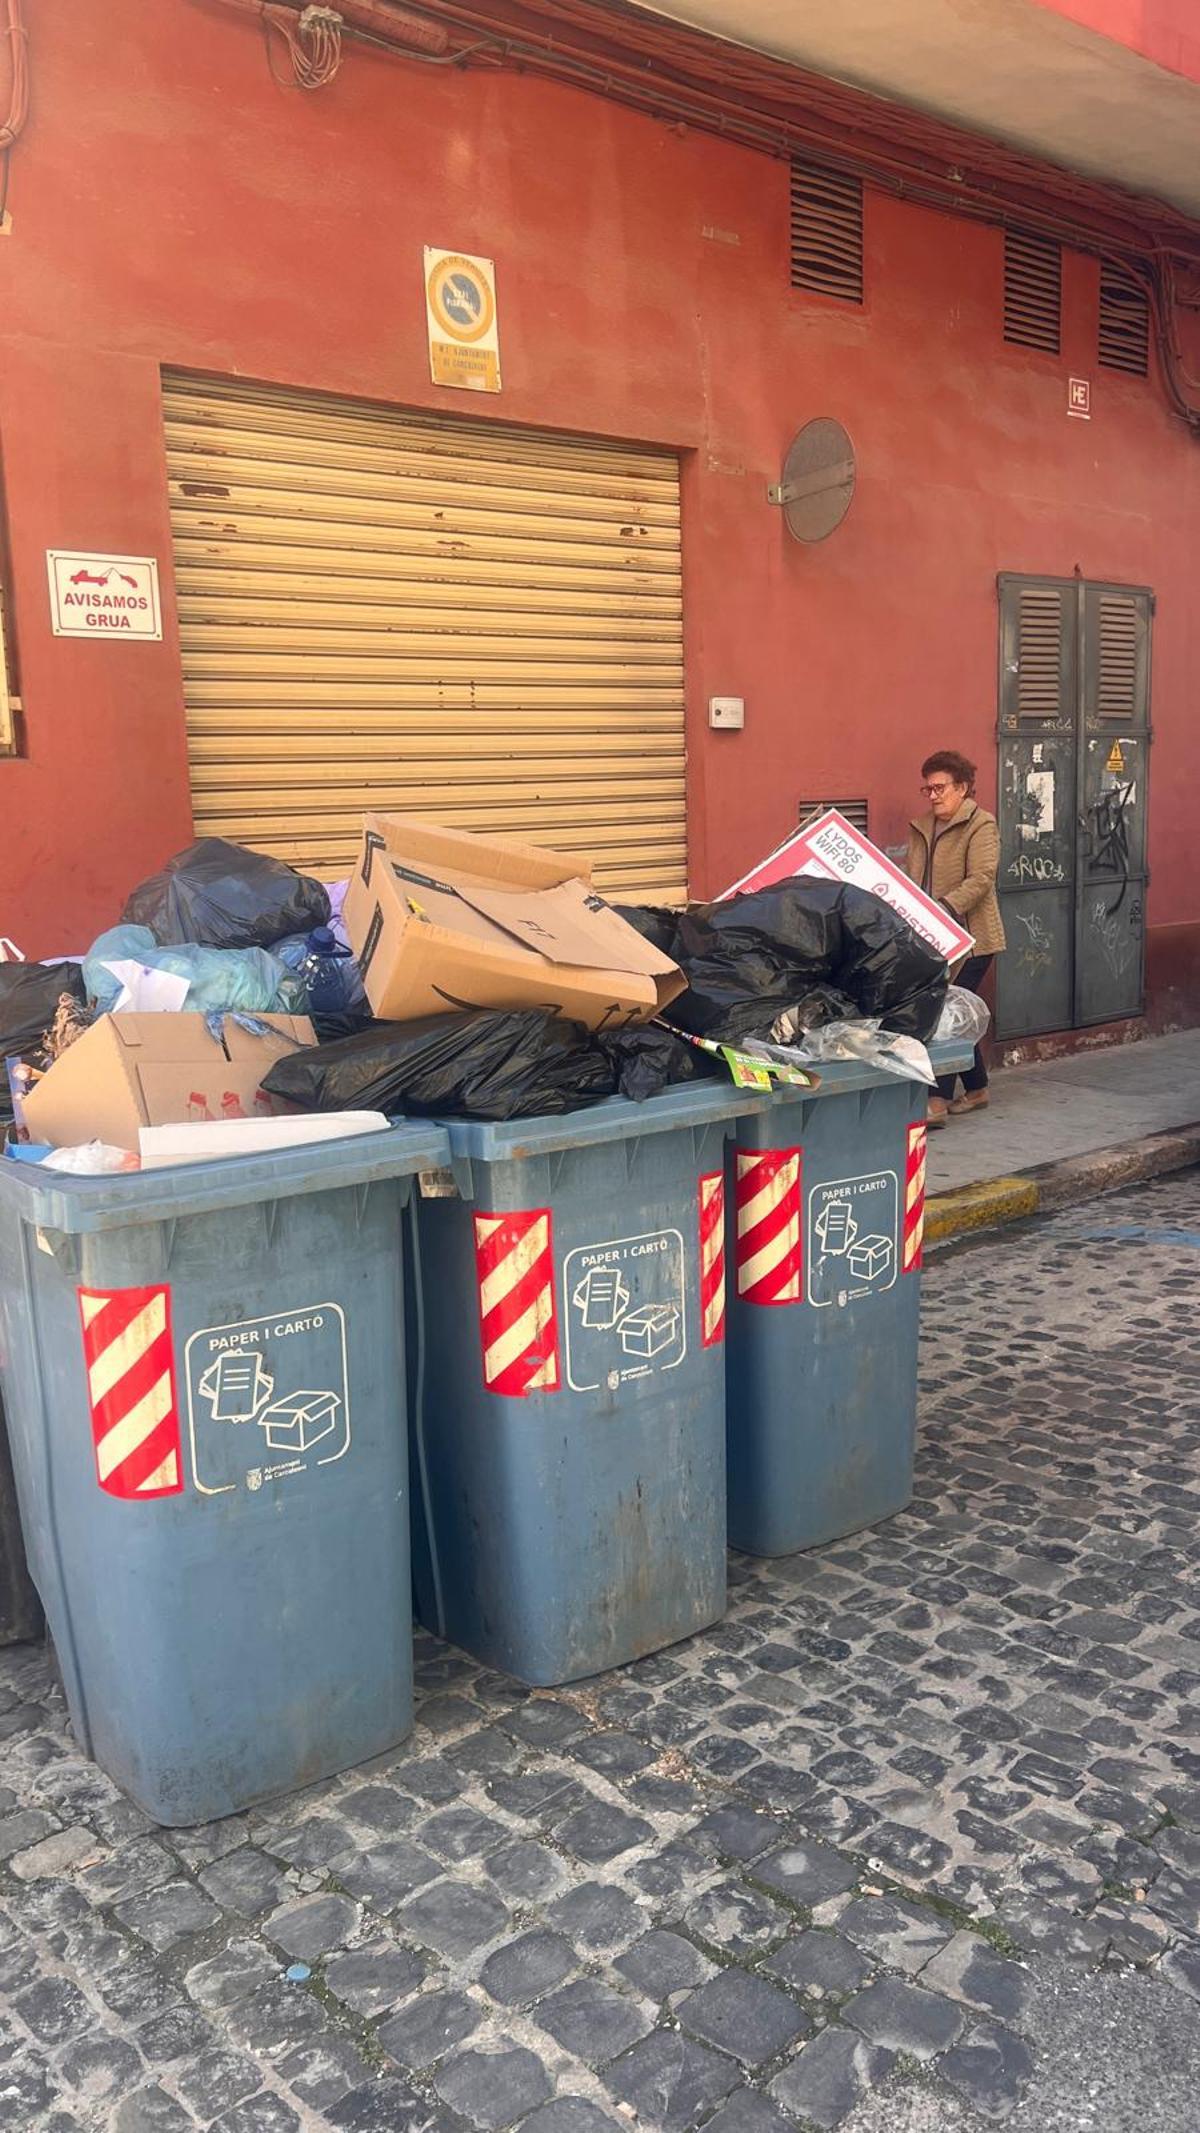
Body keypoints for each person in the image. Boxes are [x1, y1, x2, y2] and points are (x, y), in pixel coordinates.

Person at [905, 750, 1005, 1126]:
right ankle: (977, 1089)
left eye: (939, 787)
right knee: (953, 1013)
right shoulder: (920, 826)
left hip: (973, 939)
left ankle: (938, 1100)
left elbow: (982, 878)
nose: (932, 795)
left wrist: (943, 908)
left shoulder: (981, 824)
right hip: (931, 938)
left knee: (946, 1013)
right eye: (927, 788)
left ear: (961, 787)